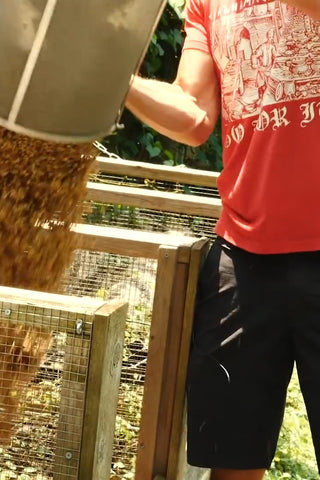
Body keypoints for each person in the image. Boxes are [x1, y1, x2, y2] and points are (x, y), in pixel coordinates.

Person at [125, 1, 320, 480]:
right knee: (231, 463)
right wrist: (117, 81)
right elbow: (193, 116)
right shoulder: (208, 4)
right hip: (243, 259)